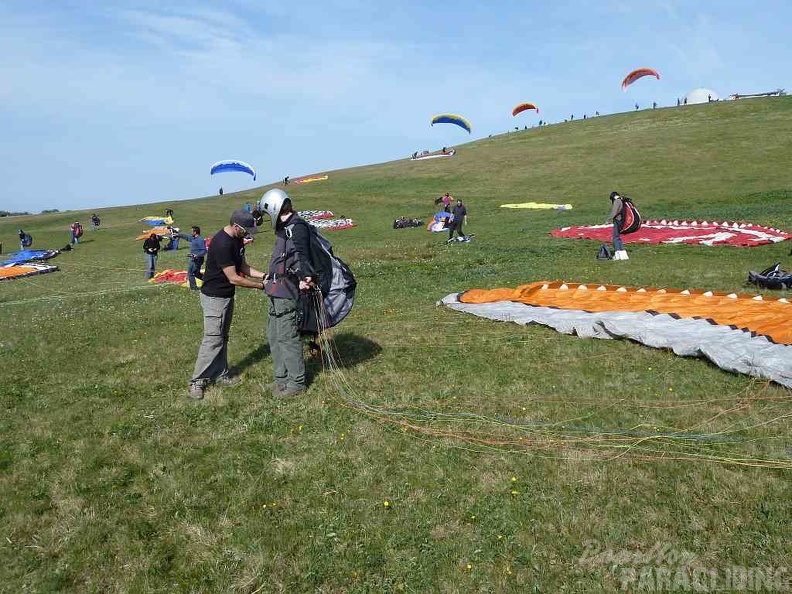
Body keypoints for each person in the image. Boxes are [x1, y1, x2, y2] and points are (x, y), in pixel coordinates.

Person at [188, 210, 267, 400]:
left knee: (222, 337)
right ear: (236, 226)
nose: (247, 234)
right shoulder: (221, 243)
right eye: (246, 231)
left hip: (226, 296)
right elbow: (233, 278)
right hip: (214, 297)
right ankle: (196, 382)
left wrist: (265, 276)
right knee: (213, 338)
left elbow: (242, 267)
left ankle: (220, 374)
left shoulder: (237, 239)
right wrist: (260, 286)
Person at [259, 188, 316, 398]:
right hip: (274, 290)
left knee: (287, 337)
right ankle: (281, 379)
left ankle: (296, 383)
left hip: (287, 291)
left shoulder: (297, 227)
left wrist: (305, 277)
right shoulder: (286, 228)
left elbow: (303, 256)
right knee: (274, 336)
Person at [177, 226, 207, 290]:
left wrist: (197, 255)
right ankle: (209, 281)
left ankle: (194, 288)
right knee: (196, 274)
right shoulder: (194, 238)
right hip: (193, 259)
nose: (190, 232)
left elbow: (204, 250)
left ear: (195, 232)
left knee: (190, 273)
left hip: (197, 260)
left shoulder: (200, 240)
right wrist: (178, 234)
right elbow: (187, 237)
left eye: (191, 231)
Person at [606, 191, 629, 260]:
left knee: (615, 238)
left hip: (618, 221)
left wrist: (608, 220)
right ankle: (623, 255)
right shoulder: (622, 200)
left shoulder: (617, 201)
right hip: (622, 221)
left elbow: (614, 212)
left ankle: (618, 255)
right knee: (618, 238)